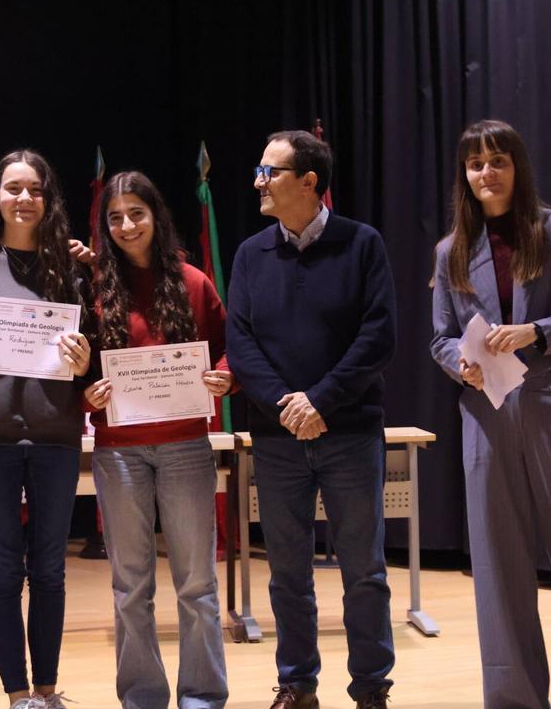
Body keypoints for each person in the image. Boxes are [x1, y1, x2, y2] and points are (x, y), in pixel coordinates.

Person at [430, 119, 551, 709]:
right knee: (498, 570)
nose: (486, 174)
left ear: (518, 167)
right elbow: (440, 337)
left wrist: (539, 331)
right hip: (485, 417)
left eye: (497, 161)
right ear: (464, 176)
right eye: (475, 164)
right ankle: (514, 700)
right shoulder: (451, 250)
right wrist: (456, 364)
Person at [226, 131, 396, 709]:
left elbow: (377, 336)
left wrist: (320, 400)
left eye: (268, 171)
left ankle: (371, 688)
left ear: (308, 183)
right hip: (277, 438)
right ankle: (297, 684)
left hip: (348, 433)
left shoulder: (362, 244)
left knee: (364, 571)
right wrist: (287, 405)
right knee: (287, 574)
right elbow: (241, 343)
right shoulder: (251, 253)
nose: (257, 182)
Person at [0, 149, 92, 709]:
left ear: (48, 198)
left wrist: (84, 361)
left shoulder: (71, 269)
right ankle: (16, 694)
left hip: (56, 434)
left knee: (50, 570)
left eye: (35, 189)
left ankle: (49, 691)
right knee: (3, 568)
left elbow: (92, 356)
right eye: (13, 188)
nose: (24, 198)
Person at [82, 171, 232, 709]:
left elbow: (226, 346)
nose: (126, 225)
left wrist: (224, 375)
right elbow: (75, 368)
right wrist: (88, 396)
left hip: (186, 447)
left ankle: (203, 697)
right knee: (130, 588)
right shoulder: (93, 287)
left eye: (136, 214)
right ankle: (143, 698)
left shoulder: (192, 281)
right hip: (118, 451)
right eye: (115, 217)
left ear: (156, 217)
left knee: (196, 584)